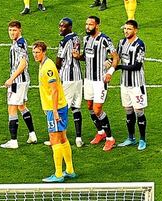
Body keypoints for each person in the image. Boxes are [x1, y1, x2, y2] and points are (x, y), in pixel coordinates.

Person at [34, 41, 76, 182]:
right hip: (58, 107)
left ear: (44, 52)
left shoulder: (48, 67)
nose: (35, 55)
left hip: (56, 108)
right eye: (34, 52)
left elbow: (54, 90)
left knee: (54, 139)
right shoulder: (44, 64)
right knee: (63, 137)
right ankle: (69, 170)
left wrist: (54, 111)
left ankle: (58, 174)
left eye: (38, 52)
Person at [106, 20, 148, 150]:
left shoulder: (140, 45)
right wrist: (109, 62)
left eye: (129, 29)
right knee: (128, 110)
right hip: (125, 83)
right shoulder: (121, 42)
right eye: (125, 29)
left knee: (139, 111)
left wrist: (118, 67)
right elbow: (116, 57)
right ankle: (131, 138)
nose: (126, 31)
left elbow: (137, 65)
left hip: (136, 84)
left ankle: (142, 140)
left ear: (135, 30)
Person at [82, 16, 119, 151]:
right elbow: (85, 57)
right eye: (86, 24)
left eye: (90, 24)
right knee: (90, 106)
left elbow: (115, 57)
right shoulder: (85, 39)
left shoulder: (105, 39)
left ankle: (110, 138)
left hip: (100, 80)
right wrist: (77, 56)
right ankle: (100, 133)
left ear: (97, 25)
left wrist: (110, 72)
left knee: (97, 109)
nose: (87, 27)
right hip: (88, 79)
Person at [1, 21, 38, 149]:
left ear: (20, 30)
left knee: (12, 108)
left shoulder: (19, 45)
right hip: (23, 80)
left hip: (18, 81)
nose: (12, 33)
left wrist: (11, 79)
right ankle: (32, 135)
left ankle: (13, 141)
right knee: (22, 106)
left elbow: (23, 64)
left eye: (14, 30)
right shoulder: (20, 43)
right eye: (10, 30)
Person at [55, 18, 85, 148]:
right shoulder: (77, 38)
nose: (60, 28)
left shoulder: (64, 41)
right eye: (60, 26)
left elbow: (59, 59)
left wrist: (56, 72)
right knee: (76, 107)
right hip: (78, 77)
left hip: (67, 77)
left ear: (70, 27)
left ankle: (59, 138)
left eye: (63, 26)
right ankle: (78, 138)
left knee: (62, 108)